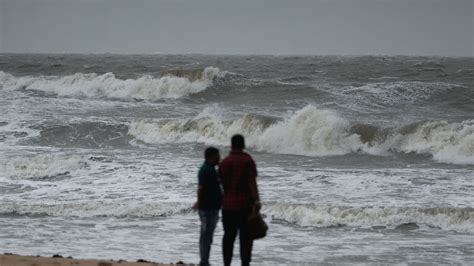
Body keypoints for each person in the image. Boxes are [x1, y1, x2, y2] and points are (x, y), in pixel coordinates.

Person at [219, 134, 261, 266]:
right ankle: (245, 263)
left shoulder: (225, 162)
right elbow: (251, 182)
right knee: (246, 238)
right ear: (243, 145)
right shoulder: (247, 161)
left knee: (228, 237)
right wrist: (257, 200)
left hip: (228, 206)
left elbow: (220, 182)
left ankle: (227, 263)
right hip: (244, 206)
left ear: (231, 145)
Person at [193, 147, 223, 266]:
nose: (219, 158)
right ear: (211, 157)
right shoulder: (206, 170)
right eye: (217, 156)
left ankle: (204, 260)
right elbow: (200, 188)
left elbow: (218, 182)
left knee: (206, 236)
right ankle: (204, 262)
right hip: (207, 208)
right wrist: (199, 202)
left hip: (210, 207)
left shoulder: (210, 169)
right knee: (206, 236)